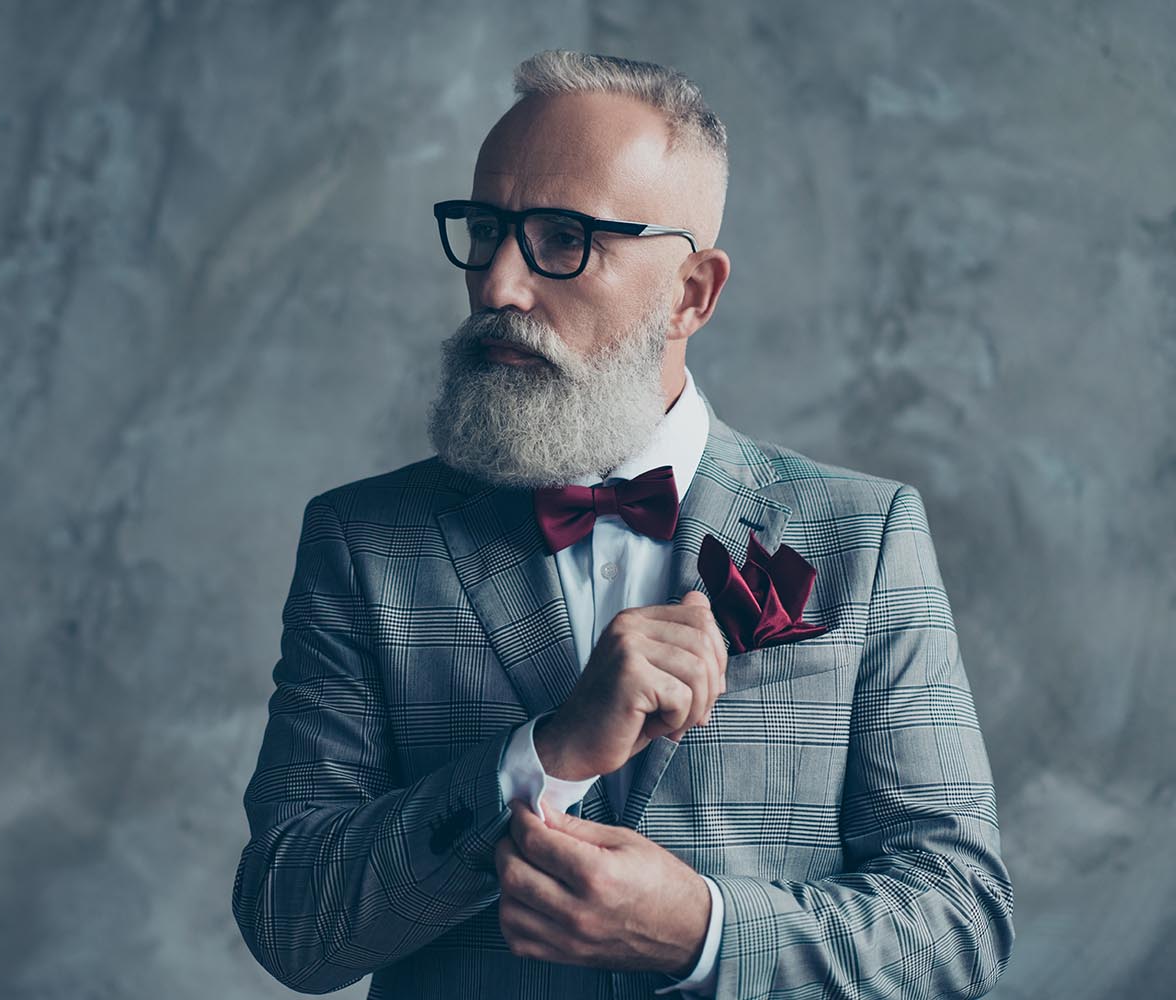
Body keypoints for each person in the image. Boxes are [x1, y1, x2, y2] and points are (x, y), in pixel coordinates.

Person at [230, 51, 1014, 999]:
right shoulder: (365, 543)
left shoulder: (865, 535)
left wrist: (702, 933)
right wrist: (544, 755)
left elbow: (960, 919)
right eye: (486, 231)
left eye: (564, 239)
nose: (498, 287)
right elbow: (290, 922)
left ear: (692, 293)